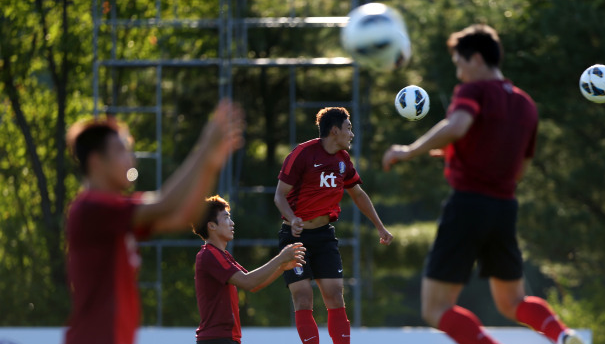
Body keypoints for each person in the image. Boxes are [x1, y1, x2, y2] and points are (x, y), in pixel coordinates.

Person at [382, 24, 584, 344]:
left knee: (435, 308)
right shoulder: (526, 104)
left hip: (467, 205)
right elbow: (519, 168)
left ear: (476, 58)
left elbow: (458, 125)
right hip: (504, 208)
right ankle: (562, 335)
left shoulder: (473, 91)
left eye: (460, 65)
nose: (459, 75)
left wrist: (408, 151)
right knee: (513, 302)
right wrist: (466, 160)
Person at [64, 100, 244, 344]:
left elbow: (183, 216)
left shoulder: (113, 212)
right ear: (96, 161)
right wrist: (204, 148)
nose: (131, 160)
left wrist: (210, 164)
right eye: (121, 151)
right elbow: (165, 203)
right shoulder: (92, 207)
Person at [274, 107, 393, 344]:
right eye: (349, 128)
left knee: (336, 297)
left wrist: (380, 226)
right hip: (294, 238)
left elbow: (358, 194)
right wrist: (293, 218)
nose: (352, 134)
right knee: (303, 298)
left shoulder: (343, 160)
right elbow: (279, 195)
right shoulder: (302, 154)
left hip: (324, 236)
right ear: (335, 130)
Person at [192, 194, 306, 344]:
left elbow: (255, 284)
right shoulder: (209, 254)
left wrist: (282, 267)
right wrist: (280, 258)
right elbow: (248, 282)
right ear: (211, 225)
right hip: (217, 340)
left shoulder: (221, 255)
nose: (232, 223)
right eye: (226, 218)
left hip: (225, 339)